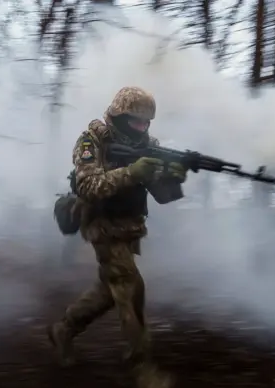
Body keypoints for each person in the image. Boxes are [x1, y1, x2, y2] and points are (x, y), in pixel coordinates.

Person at [47, 86, 188, 385]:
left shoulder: (148, 144)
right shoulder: (92, 140)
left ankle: (64, 329)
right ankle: (141, 367)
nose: (143, 128)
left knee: (109, 291)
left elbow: (162, 196)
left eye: (147, 122)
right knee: (130, 288)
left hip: (129, 226)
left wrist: (173, 178)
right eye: (136, 122)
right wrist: (133, 173)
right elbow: (88, 186)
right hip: (100, 222)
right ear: (120, 116)